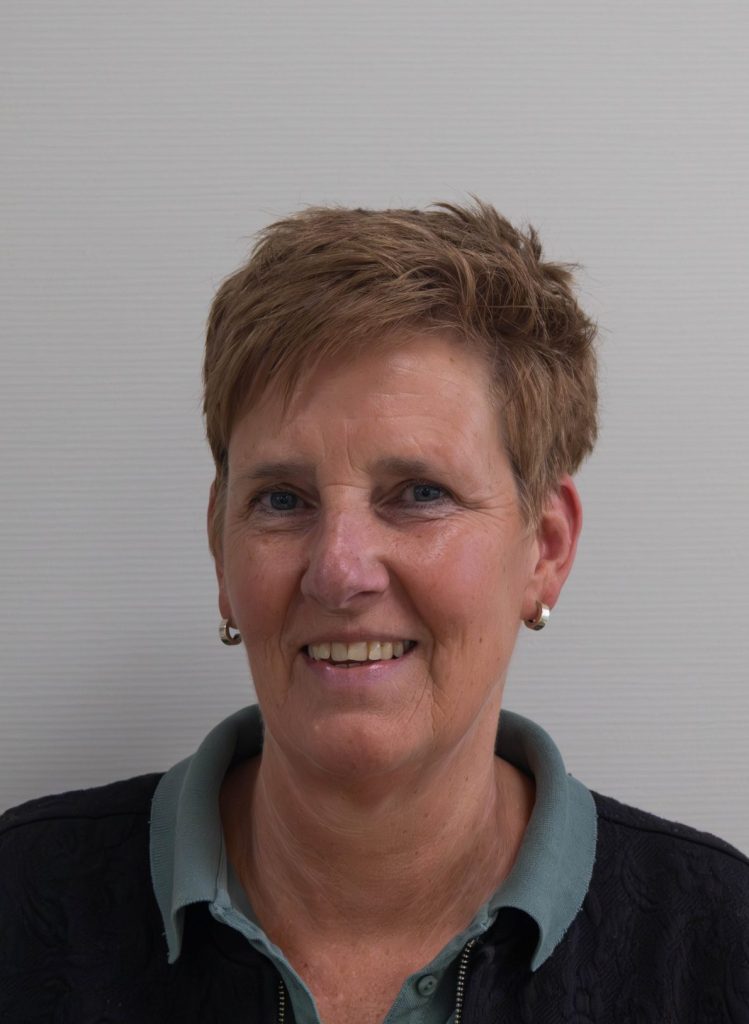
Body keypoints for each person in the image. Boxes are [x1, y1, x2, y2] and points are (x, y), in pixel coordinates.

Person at [1, 199, 747, 1024]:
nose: (339, 571)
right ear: (220, 546)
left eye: (419, 494)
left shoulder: (715, 941)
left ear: (544, 548)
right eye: (282, 500)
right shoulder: (22, 901)